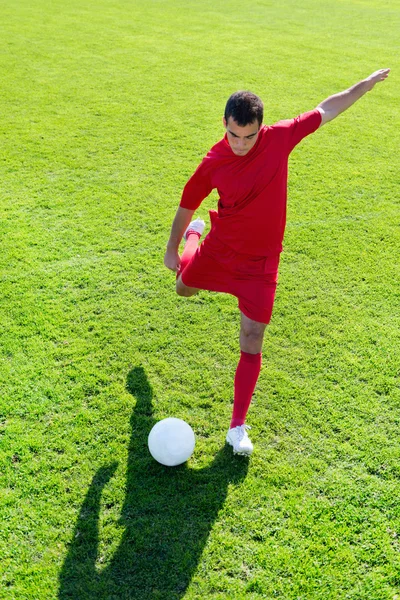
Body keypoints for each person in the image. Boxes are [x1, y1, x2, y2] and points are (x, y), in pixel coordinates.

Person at [164, 69, 390, 456]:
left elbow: (326, 108)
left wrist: (363, 86)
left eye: (248, 136)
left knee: (252, 340)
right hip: (220, 253)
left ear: (260, 127)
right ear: (225, 124)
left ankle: (237, 427)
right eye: (234, 134)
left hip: (261, 266)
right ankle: (194, 240)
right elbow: (187, 203)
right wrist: (173, 248)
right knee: (183, 288)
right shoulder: (213, 162)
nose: (240, 143)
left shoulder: (280, 138)